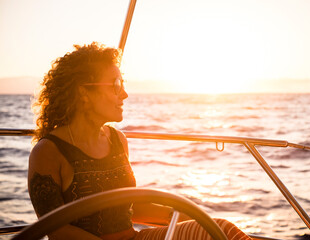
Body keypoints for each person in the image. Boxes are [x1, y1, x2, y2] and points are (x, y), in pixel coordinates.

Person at [28, 42, 252, 240]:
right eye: (116, 85)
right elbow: (57, 230)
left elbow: (128, 206)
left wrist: (180, 216)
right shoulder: (49, 152)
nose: (124, 94)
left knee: (221, 231)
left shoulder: (117, 140)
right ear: (84, 93)